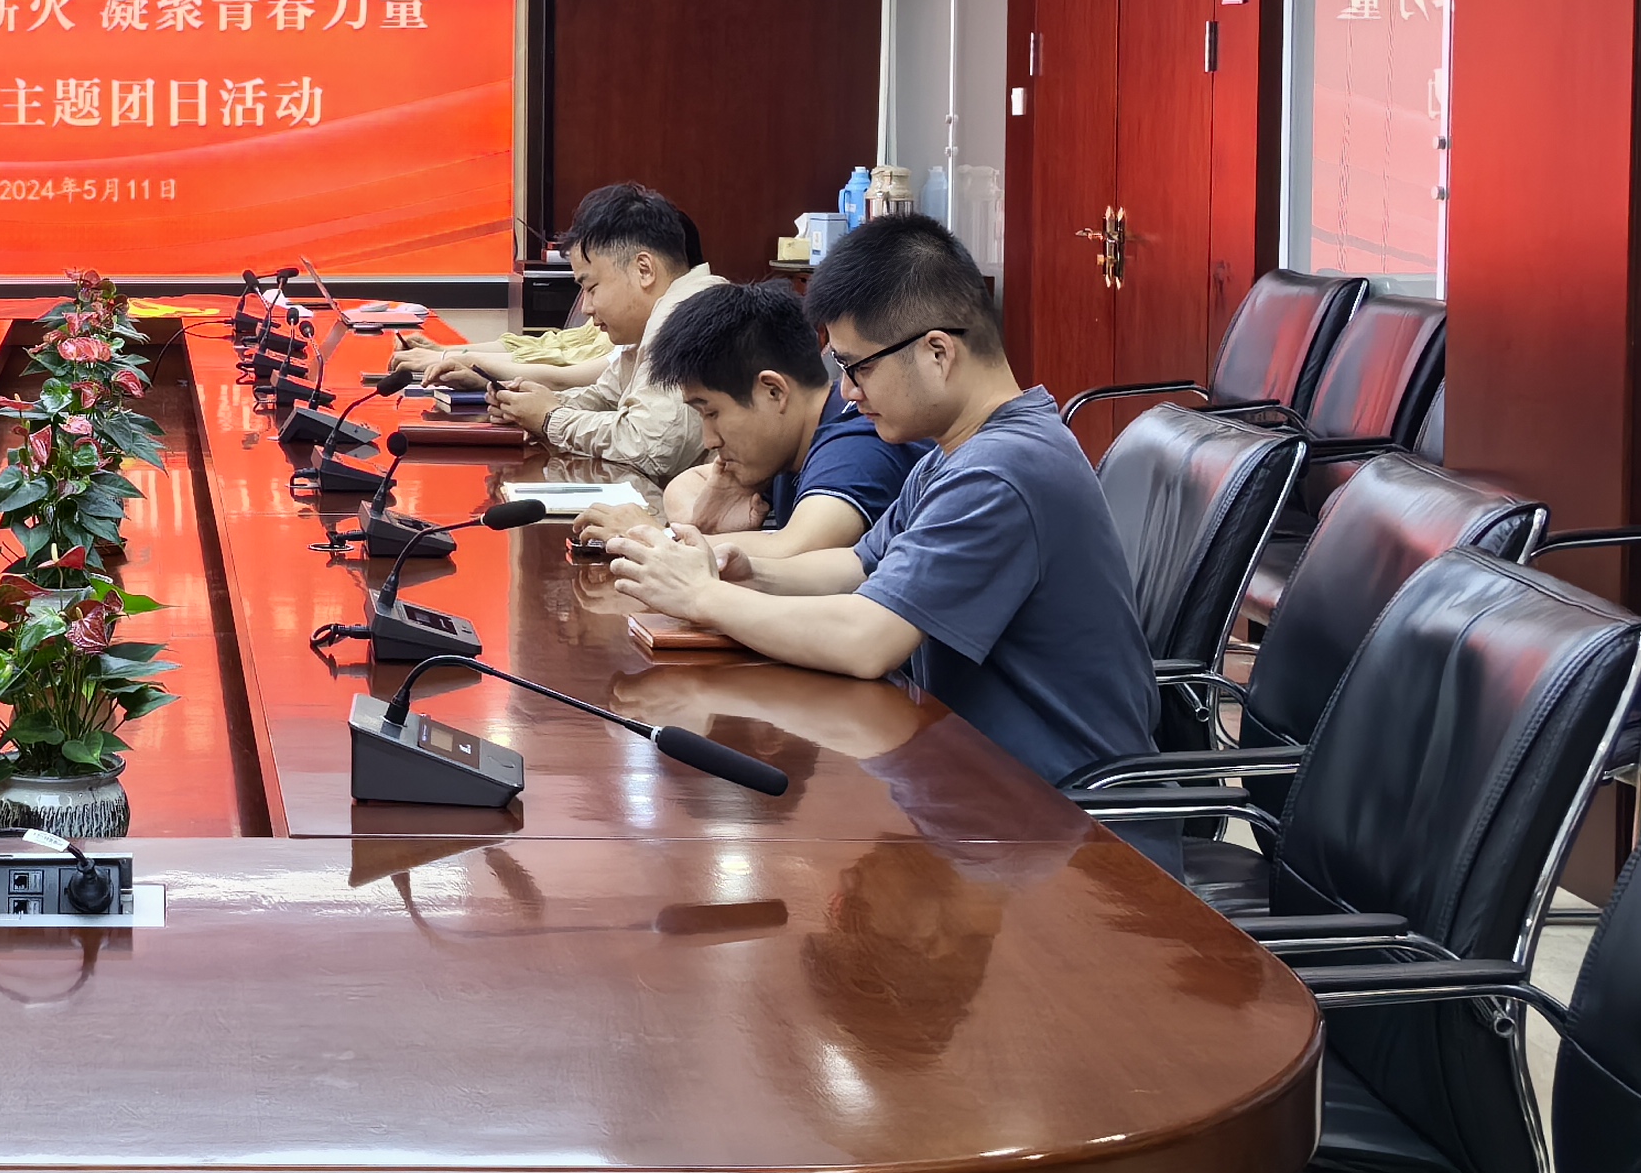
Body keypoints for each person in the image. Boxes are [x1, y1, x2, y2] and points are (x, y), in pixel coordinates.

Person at [612, 211, 1153, 789]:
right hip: (971, 776)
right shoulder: (956, 453)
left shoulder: (1001, 472)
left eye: (858, 368)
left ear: (937, 353)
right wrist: (747, 571)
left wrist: (703, 597)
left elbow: (867, 641)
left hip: (1063, 814)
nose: (847, 391)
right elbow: (858, 566)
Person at [575, 277, 915, 562]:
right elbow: (684, 484)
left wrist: (658, 539)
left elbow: (796, 550)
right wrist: (706, 522)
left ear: (774, 391)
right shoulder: (791, 437)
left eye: (711, 413)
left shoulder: (857, 443)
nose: (710, 439)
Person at [492, 184, 721, 483]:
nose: (586, 307)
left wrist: (550, 419)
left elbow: (651, 447)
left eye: (591, 287)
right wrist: (530, 405)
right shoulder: (661, 318)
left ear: (644, 270)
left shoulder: (690, 319)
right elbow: (604, 397)